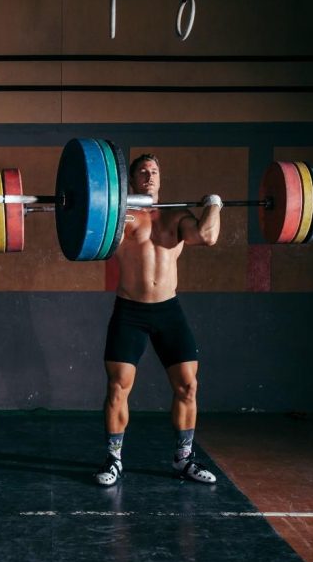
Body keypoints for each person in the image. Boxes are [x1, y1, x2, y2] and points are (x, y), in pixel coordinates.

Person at [94, 153, 222, 487]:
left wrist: (214, 204)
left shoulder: (178, 216)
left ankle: (183, 459)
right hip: (130, 311)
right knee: (117, 387)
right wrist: (101, 208)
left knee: (188, 386)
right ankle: (114, 459)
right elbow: (95, 240)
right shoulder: (123, 217)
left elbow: (207, 237)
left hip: (168, 311)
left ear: (160, 179)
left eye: (154, 171)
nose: (149, 176)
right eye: (142, 171)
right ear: (132, 179)